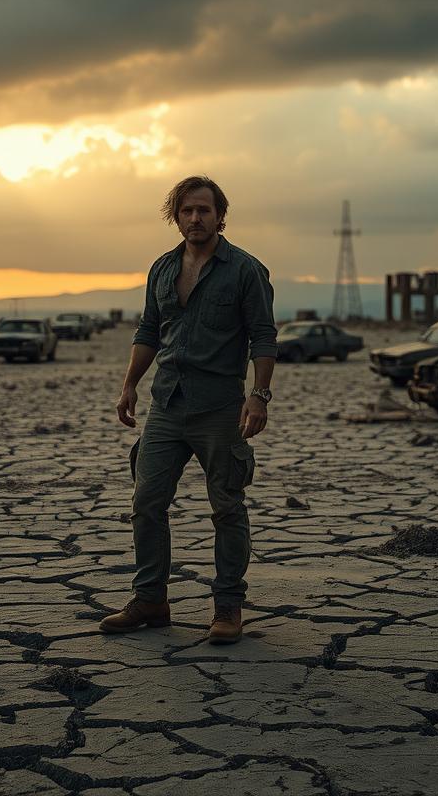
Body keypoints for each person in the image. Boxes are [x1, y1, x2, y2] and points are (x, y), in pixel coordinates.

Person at [101, 175, 277, 644]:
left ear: (221, 216)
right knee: (146, 504)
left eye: (204, 210)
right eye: (186, 211)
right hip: (167, 405)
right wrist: (128, 387)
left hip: (221, 409)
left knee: (226, 509)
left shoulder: (245, 270)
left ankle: (227, 608)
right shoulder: (162, 269)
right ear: (175, 217)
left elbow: (263, 335)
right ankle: (151, 600)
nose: (195, 218)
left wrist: (258, 395)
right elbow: (148, 331)